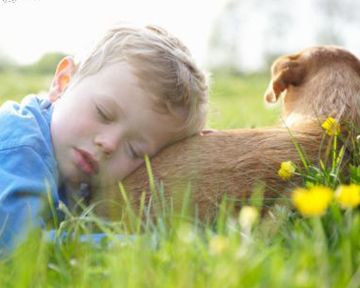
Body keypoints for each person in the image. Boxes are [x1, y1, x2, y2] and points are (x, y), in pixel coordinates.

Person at [0, 24, 208, 254]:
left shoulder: (79, 172)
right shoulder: (20, 144)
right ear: (63, 82)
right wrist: (132, 246)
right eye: (103, 113)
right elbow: (19, 246)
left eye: (134, 150)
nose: (109, 144)